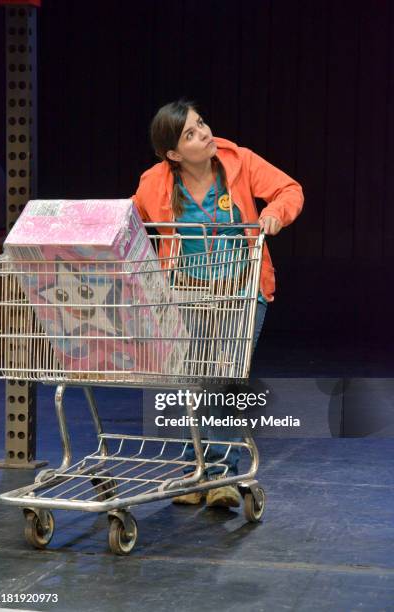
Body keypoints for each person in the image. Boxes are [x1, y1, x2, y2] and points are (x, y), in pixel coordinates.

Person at [132, 99, 303, 508]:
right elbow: (132, 223)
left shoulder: (237, 161)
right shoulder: (154, 183)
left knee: (224, 376)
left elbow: (288, 189)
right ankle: (197, 471)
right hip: (187, 291)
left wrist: (276, 213)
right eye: (190, 133)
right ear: (173, 153)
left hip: (241, 290)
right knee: (193, 380)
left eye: (202, 123)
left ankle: (222, 476)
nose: (204, 133)